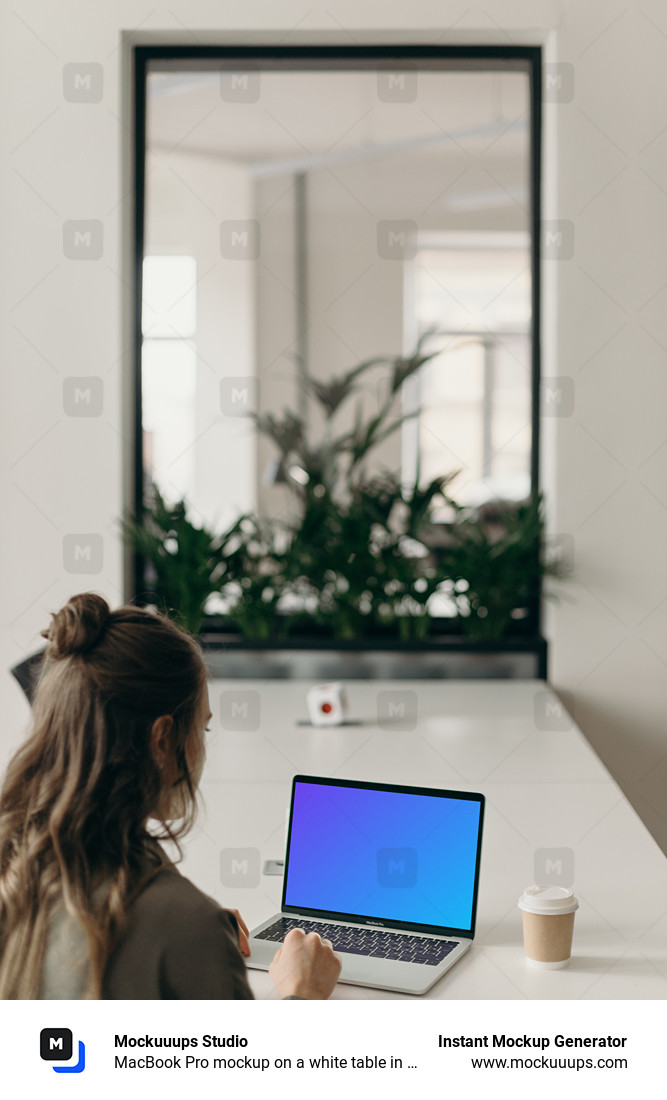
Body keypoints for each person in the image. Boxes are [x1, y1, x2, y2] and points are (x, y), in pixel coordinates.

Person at [0, 592, 341, 1000]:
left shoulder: (14, 863)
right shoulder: (188, 928)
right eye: (203, 728)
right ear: (163, 739)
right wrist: (302, 992)